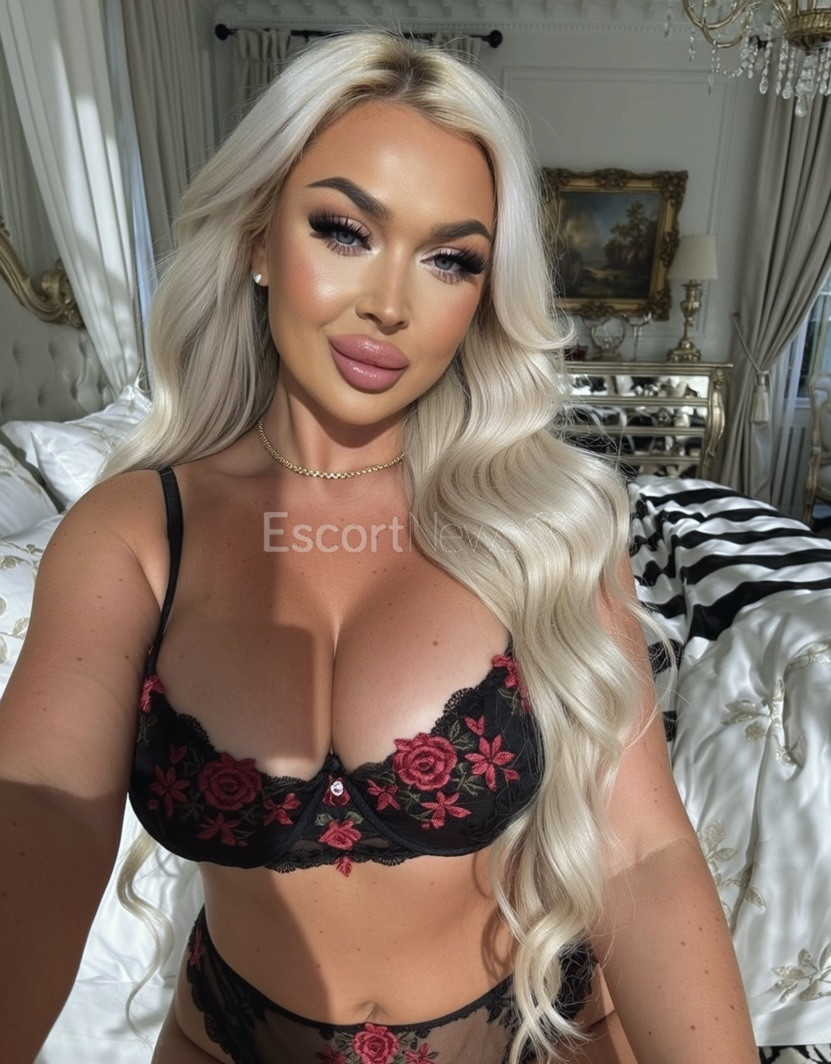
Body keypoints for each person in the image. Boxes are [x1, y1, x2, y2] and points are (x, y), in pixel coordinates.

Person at [0, 30, 758, 1064]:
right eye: (344, 230)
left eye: (450, 259)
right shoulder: (134, 536)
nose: (390, 304)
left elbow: (641, 847)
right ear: (258, 240)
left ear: (482, 295)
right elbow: (42, 804)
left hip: (534, 1037)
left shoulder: (547, 526)